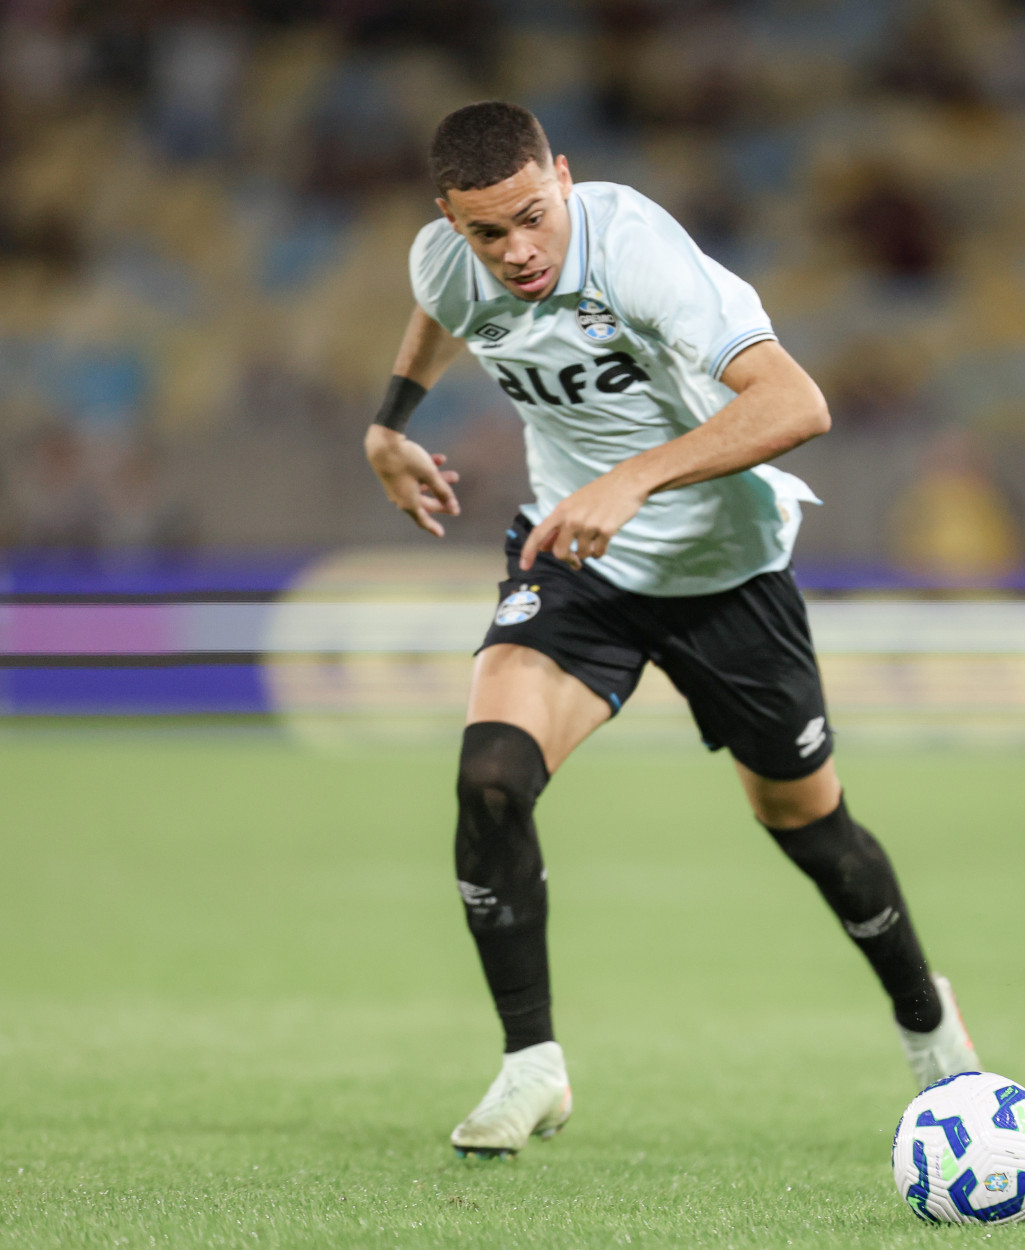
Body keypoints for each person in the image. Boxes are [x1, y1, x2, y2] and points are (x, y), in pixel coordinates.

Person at [362, 101, 979, 1158]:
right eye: (487, 232)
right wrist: (388, 422)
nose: (517, 251)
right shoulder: (448, 260)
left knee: (808, 827)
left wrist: (635, 479)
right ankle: (532, 1066)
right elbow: (439, 304)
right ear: (450, 220)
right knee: (491, 777)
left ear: (564, 173)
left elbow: (798, 403)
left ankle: (930, 1027)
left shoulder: (639, 255)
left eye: (532, 217)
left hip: (724, 571)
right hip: (575, 559)